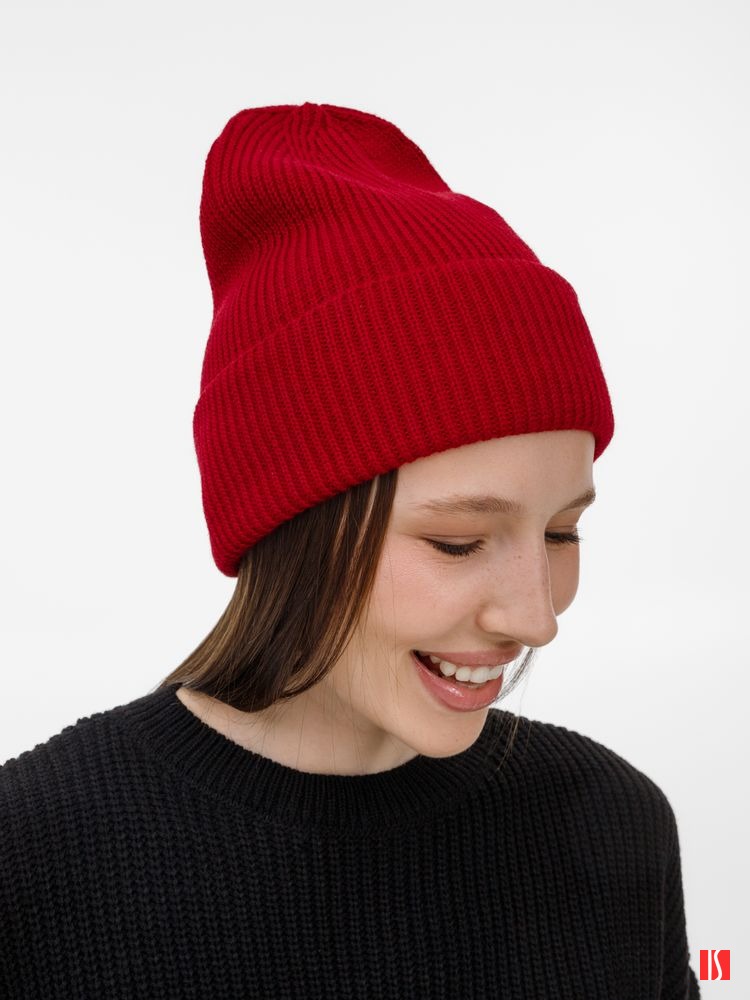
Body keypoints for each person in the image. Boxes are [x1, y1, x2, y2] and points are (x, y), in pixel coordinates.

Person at [0, 102, 700, 998]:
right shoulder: (31, 862)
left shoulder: (614, 826)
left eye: (562, 532)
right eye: (457, 542)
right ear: (288, 524)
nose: (536, 618)